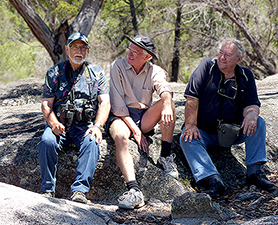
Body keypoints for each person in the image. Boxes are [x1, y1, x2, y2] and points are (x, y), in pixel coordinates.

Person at [180, 38, 275, 198]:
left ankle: (254, 173)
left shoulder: (246, 75)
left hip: (233, 132)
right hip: (204, 132)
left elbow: (252, 104)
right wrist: (190, 125)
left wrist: (251, 114)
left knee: (258, 123)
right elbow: (192, 98)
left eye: (227, 55)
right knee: (187, 138)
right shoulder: (206, 67)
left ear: (239, 59)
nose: (222, 58)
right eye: (220, 53)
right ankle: (212, 180)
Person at [38, 32, 110, 204]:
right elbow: (46, 104)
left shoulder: (96, 72)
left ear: (87, 50)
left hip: (84, 125)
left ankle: (79, 191)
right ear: (67, 49)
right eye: (75, 47)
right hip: (59, 124)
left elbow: (105, 102)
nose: (79, 51)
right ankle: (47, 190)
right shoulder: (54, 72)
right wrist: (53, 123)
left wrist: (98, 126)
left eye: (83, 48)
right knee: (47, 141)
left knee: (92, 142)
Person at [106, 34, 177, 209]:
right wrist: (136, 131)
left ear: (147, 57)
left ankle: (165, 156)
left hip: (143, 116)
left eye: (135, 52)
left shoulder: (155, 70)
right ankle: (134, 190)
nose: (130, 54)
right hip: (121, 116)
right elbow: (118, 105)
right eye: (130, 50)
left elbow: (163, 87)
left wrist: (167, 104)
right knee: (121, 137)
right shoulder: (117, 66)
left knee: (169, 102)